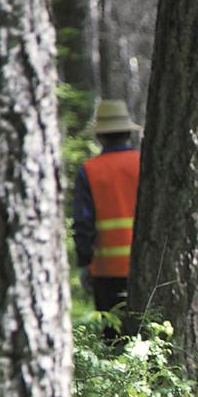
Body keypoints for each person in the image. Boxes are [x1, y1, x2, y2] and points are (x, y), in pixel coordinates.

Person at [71, 99, 141, 341]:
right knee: (145, 335)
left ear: (100, 136)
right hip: (145, 265)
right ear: (128, 133)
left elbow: (83, 223)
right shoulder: (145, 164)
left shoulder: (89, 170)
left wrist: (84, 263)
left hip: (106, 271)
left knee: (112, 339)